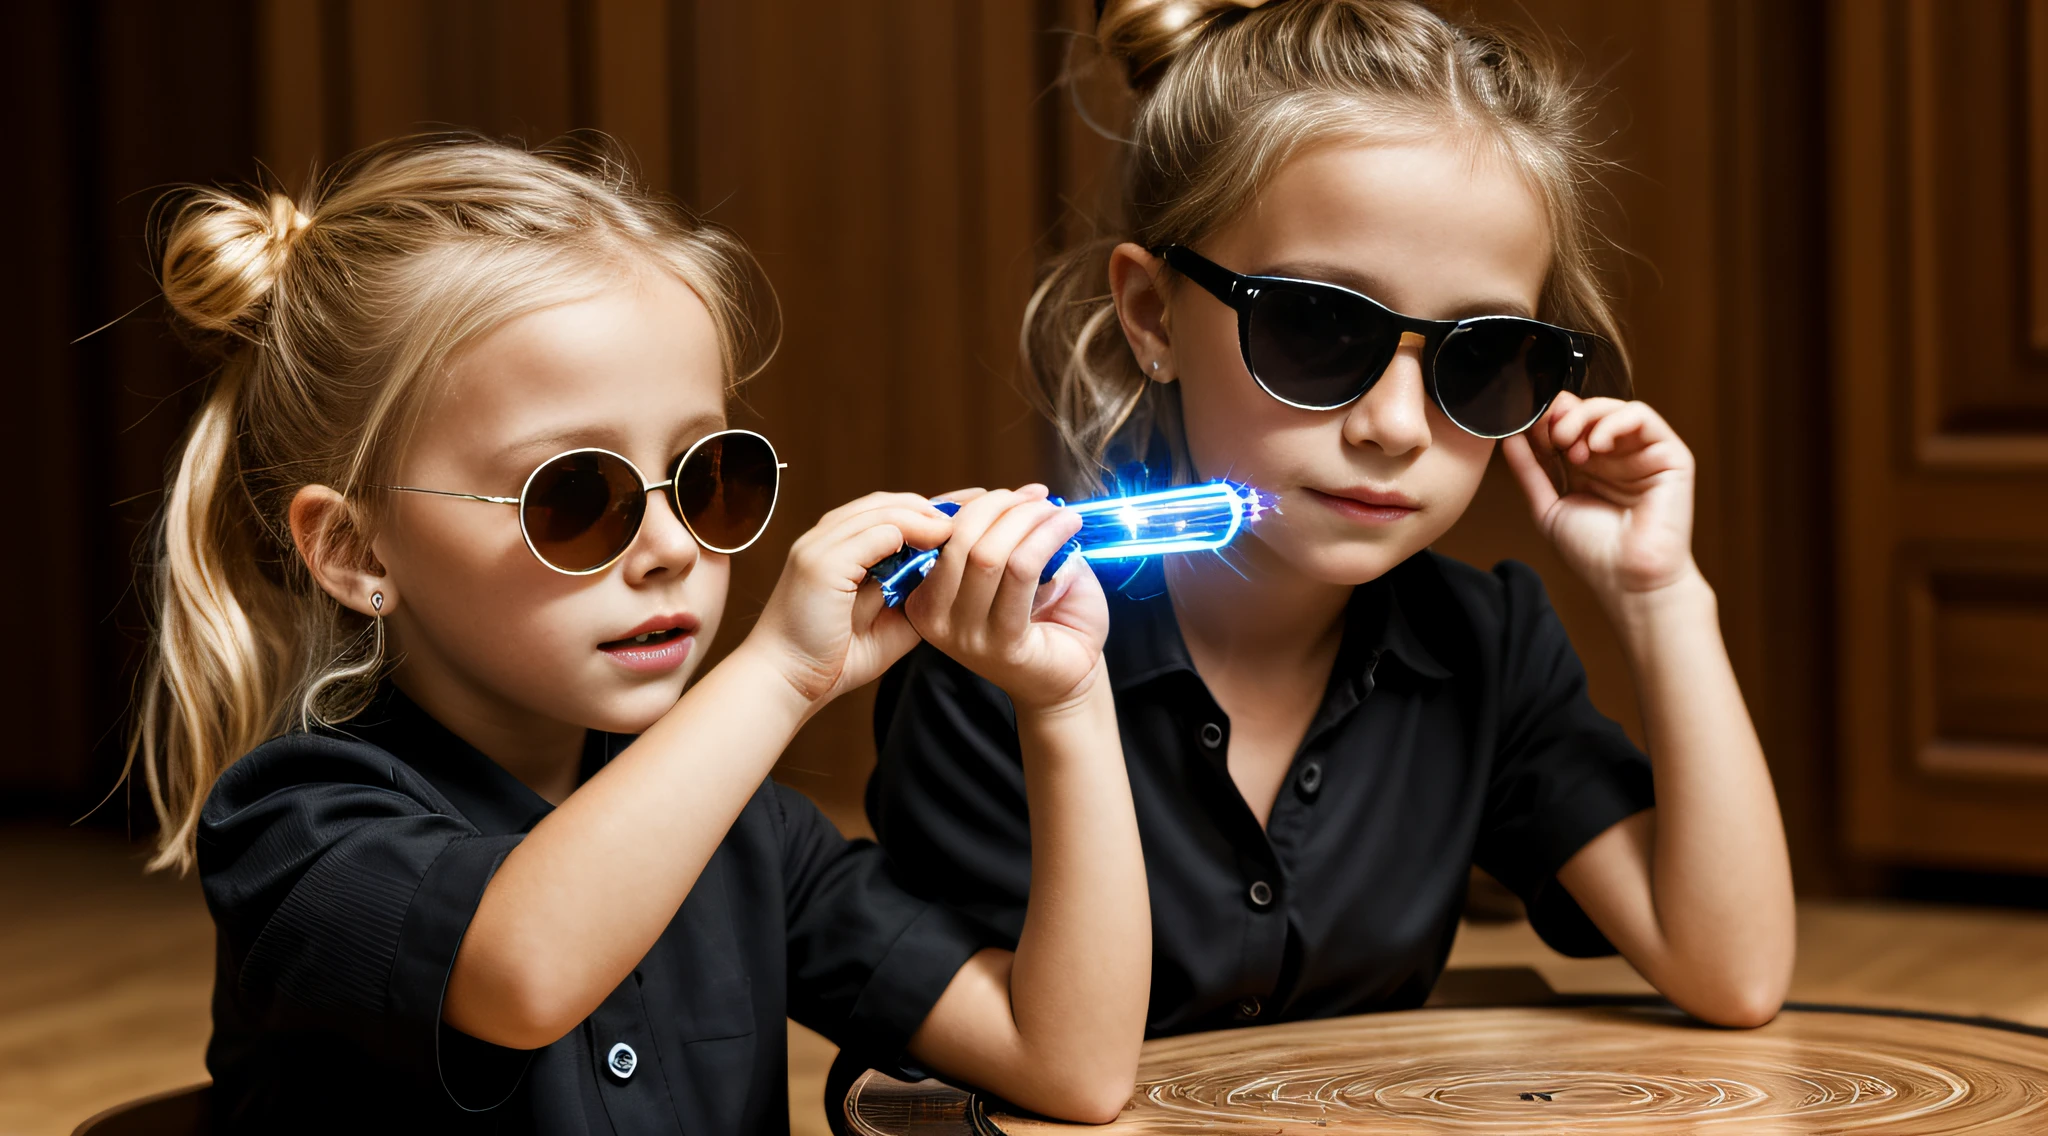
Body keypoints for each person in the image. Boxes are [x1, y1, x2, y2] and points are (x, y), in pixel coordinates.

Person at [130, 133, 1148, 1133]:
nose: (669, 545)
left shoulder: (748, 833)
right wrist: (780, 670)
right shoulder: (292, 828)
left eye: (711, 477)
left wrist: (1063, 698)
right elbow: (526, 967)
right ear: (358, 550)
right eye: (574, 493)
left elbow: (1068, 1062)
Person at [863, 0, 1795, 1051]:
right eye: (1316, 327)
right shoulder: (982, 652)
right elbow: (996, 1069)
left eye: (1475, 357)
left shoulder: (1481, 645)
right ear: (1152, 316)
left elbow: (1733, 968)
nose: (1394, 427)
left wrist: (1659, 595)